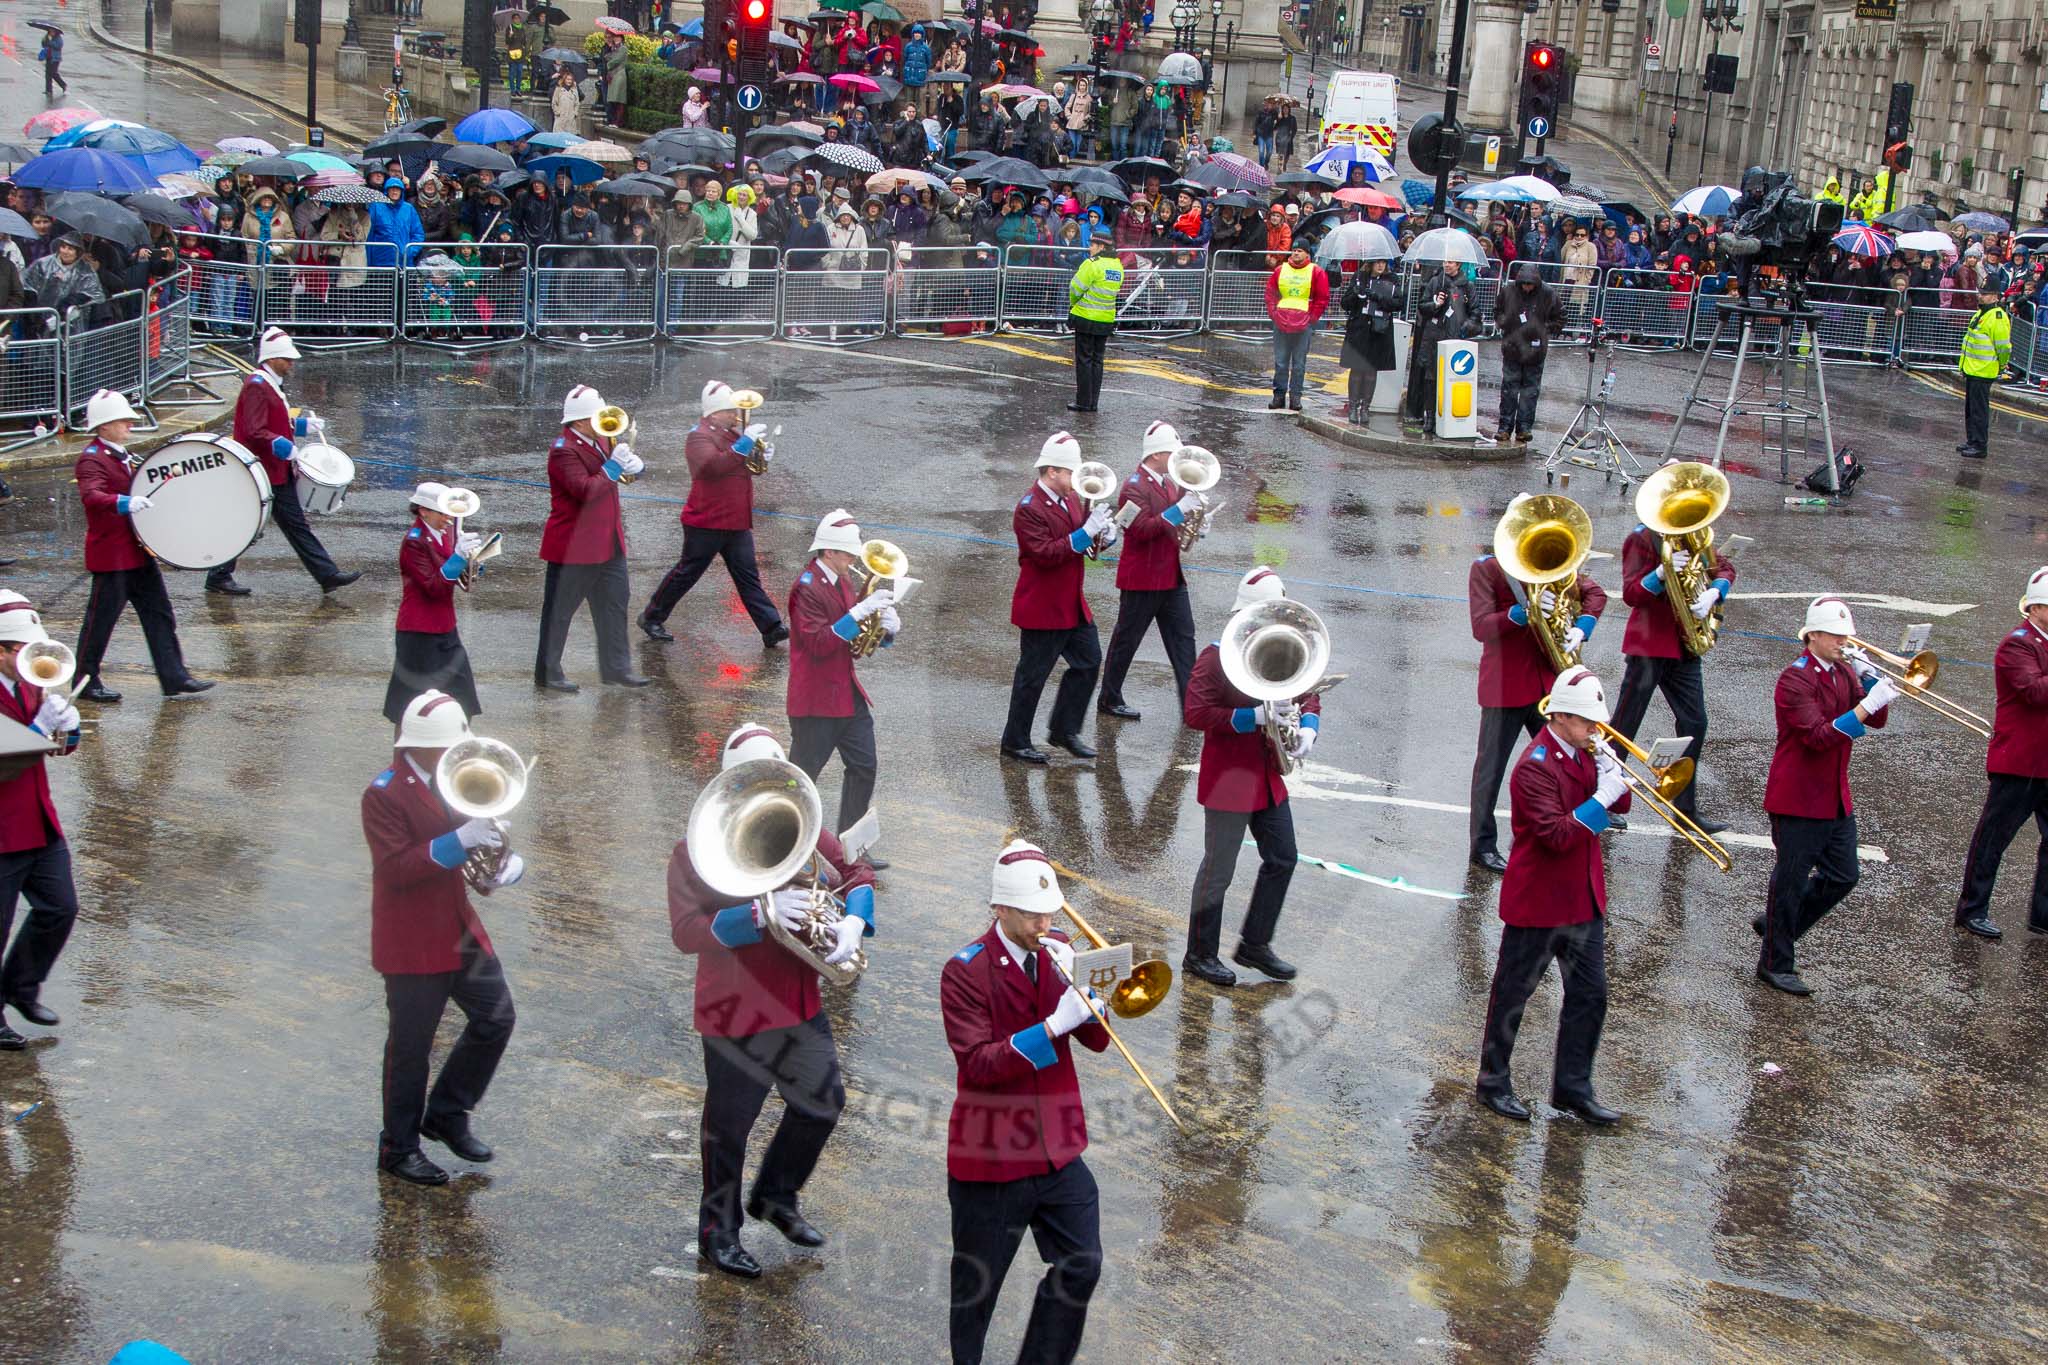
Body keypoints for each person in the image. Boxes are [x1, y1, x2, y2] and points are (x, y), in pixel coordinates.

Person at [669, 724, 876, 1278]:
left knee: (823, 1102)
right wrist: (755, 916)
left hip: (797, 1002)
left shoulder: (806, 829)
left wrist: (856, 917)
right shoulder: (695, 853)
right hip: (734, 1013)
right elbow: (686, 931)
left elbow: (855, 870)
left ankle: (776, 1197)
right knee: (729, 1131)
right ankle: (718, 1235)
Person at [942, 838, 1109, 1365]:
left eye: (1049, 915)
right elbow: (979, 1065)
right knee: (976, 1294)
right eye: (1032, 917)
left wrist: (1090, 992)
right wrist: (1054, 1024)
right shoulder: (964, 971)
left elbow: (1100, 1041)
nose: (1044, 926)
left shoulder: (1056, 947)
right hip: (991, 1158)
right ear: (1000, 910)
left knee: (1082, 1263)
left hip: (1058, 1148)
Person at [364, 691, 526, 1186]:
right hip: (412, 938)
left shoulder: (452, 779)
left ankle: (448, 1112)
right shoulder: (384, 793)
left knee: (496, 1017)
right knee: (411, 1048)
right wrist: (461, 842)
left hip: (456, 926)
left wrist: (504, 867)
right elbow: (395, 869)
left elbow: (476, 847)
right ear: (424, 747)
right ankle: (398, 1147)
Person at [1474, 666, 1631, 1125]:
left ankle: (1573, 1087)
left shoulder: (1584, 750)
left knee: (1590, 996)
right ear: (1560, 717)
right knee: (1513, 998)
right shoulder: (1534, 767)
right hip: (1539, 903)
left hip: (1582, 899)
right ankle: (1492, 1082)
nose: (1594, 731)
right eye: (1587, 723)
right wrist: (1602, 798)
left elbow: (1616, 803)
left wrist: (1611, 775)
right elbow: (1557, 836)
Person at [1180, 566, 1321, 988]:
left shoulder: (1280, 643)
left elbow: (1307, 684)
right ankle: (1199, 954)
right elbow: (1195, 713)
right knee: (1218, 870)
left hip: (1266, 774)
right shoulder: (1215, 655)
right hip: (1230, 777)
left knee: (1283, 857)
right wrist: (1251, 716)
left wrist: (1310, 723)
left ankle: (1254, 944)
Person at [1755, 597, 1896, 995]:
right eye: (1834, 635)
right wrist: (1866, 704)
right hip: (1798, 798)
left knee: (1844, 876)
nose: (1843, 642)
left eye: (1844, 635)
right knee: (1788, 882)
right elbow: (1817, 737)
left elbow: (1878, 719)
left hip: (1834, 795)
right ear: (1812, 635)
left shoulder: (1844, 673)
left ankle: (1779, 927)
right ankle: (1774, 963)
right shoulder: (1795, 679)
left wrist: (1871, 684)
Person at [1467, 497, 1608, 872]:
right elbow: (1481, 627)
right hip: (1505, 684)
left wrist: (1582, 626)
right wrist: (1521, 613)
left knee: (1570, 755)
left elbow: (1595, 593)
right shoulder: (1488, 569)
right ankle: (1481, 845)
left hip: (1548, 682)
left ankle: (1571, 821)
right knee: (1490, 770)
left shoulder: (1552, 565)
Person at [66, 389, 210, 704]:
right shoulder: (92, 460)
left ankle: (174, 676)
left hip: (137, 553)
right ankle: (85, 681)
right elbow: (92, 496)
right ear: (104, 426)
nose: (130, 425)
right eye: (123, 421)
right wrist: (123, 502)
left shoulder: (120, 455)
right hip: (113, 556)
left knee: (160, 614)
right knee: (99, 624)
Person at [1610, 476, 1735, 836]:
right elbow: (1632, 594)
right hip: (1649, 646)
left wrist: (1714, 591)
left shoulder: (1695, 532)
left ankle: (1685, 810)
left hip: (1683, 646)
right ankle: (1606, 800)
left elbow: (1724, 567)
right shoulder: (1641, 537)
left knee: (1695, 723)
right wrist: (1661, 574)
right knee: (1624, 729)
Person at [207, 328, 360, 597]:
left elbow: (273, 421)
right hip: (260, 470)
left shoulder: (269, 383)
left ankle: (327, 574)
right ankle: (219, 575)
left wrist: (300, 426)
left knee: (294, 524)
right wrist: (280, 443)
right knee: (246, 524)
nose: (291, 363)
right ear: (272, 358)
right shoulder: (257, 385)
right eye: (286, 358)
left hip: (274, 471)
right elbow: (255, 428)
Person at [638, 381, 788, 648]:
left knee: (747, 575)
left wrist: (760, 459)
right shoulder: (699, 436)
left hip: (735, 520)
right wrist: (744, 444)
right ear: (715, 413)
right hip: (706, 521)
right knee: (687, 573)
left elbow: (742, 467)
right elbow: (713, 467)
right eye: (731, 410)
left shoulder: (730, 434)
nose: (736, 415)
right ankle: (652, 616)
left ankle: (771, 626)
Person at [1001, 433, 1119, 764]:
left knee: (1089, 661)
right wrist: (1085, 532)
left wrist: (1103, 537)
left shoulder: (1069, 499)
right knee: (1032, 677)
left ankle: (1064, 730)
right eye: (1070, 472)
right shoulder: (1029, 508)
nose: (1076, 479)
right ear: (1052, 471)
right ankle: (1015, 740)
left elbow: (1083, 547)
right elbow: (1046, 554)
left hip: (1071, 603)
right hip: (1042, 606)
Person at [787, 509, 899, 849]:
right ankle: (785, 843)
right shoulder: (805, 589)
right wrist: (858, 613)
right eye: (848, 554)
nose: (853, 560)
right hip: (816, 701)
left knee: (864, 766)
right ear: (829, 551)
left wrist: (885, 629)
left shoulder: (843, 580)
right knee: (800, 781)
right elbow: (819, 644)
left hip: (845, 694)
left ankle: (851, 847)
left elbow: (855, 641)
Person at [0, 599, 83, 1050]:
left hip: (37, 818)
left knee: (59, 908)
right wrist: (35, 731)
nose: (35, 660)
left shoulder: (29, 681)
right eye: (22, 651)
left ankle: (20, 988)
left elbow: (53, 747)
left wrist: (68, 731)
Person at [1952, 567, 2048, 939]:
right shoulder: (2018, 643)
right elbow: (2035, 692)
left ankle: (2043, 914)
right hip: (2020, 762)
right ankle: (1972, 909)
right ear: (2036, 608)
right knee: (1994, 839)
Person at [534, 384, 648, 693]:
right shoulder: (563, 450)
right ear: (580, 421)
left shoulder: (601, 438)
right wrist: (612, 467)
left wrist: (634, 469)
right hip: (575, 547)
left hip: (608, 542)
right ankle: (548, 672)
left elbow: (617, 476)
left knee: (614, 607)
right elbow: (585, 491)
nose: (601, 420)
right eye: (595, 415)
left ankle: (617, 669)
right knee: (560, 612)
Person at [1097, 420, 1202, 723]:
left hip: (1170, 577)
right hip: (1141, 580)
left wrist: (1196, 523)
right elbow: (1140, 529)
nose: (1177, 460)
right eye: (1172, 453)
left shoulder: (1169, 483)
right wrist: (1179, 511)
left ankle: (1192, 704)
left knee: (1184, 640)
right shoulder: (1133, 487)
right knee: (1127, 641)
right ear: (1156, 455)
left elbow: (1172, 526)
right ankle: (1109, 697)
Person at [384, 483, 486, 727]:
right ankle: (403, 758)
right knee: (409, 705)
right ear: (423, 511)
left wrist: (473, 562)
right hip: (418, 632)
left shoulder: (447, 533)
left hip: (445, 627)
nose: (448, 518)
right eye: (442, 512)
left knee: (463, 696)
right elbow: (434, 587)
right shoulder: (414, 542)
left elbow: (457, 578)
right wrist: (457, 558)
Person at [1491, 261, 1562, 445]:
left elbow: (1560, 318)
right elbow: (1497, 312)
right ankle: (1504, 427)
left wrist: (1542, 329)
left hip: (1535, 351)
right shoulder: (1508, 292)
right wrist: (1505, 323)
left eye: (1530, 284)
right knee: (1509, 389)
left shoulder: (1548, 294)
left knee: (1530, 391)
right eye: (1524, 284)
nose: (1527, 288)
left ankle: (1524, 428)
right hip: (1512, 349)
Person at [1264, 242, 1329, 412]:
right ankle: (1279, 396)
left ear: (1307, 254)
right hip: (1282, 322)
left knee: (1299, 364)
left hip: (1303, 325)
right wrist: (1274, 313)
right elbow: (1270, 292)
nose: (1296, 253)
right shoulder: (1280, 270)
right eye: (1294, 250)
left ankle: (1295, 397)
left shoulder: (1316, 272)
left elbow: (1322, 298)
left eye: (1300, 251)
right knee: (1280, 362)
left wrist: (1311, 319)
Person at [1338, 258, 1399, 424]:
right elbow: (1345, 303)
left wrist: (1378, 297)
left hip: (1379, 331)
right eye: (1377, 262)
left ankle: (1365, 407)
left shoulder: (1392, 279)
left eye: (1383, 263)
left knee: (1372, 371)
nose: (1381, 266)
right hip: (1359, 329)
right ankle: (1353, 407)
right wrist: (1355, 294)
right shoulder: (1359, 276)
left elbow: (1397, 303)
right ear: (1370, 263)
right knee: (1357, 370)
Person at [1065, 233, 1121, 414]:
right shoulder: (1117, 266)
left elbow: (1075, 288)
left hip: (1086, 317)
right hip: (1105, 320)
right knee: (1098, 361)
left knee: (1084, 361)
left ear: (1101, 247)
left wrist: (1073, 304)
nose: (1090, 248)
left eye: (1093, 245)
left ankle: (1083, 401)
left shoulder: (1092, 265)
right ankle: (1093, 402)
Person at [1957, 280, 2011, 459]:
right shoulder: (1981, 313)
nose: (1981, 295)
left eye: (1985, 293)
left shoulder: (1998, 316)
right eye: (1980, 292)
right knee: (1971, 410)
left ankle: (1980, 445)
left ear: (1995, 296)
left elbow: (2003, 347)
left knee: (1979, 411)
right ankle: (1972, 440)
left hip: (1984, 370)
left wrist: (2002, 365)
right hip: (1972, 369)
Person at [552, 70, 582, 134]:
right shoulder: (558, 89)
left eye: (571, 79)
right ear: (564, 79)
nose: (569, 81)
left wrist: (575, 113)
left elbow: (577, 103)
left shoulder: (574, 90)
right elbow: (554, 103)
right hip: (560, 118)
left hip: (571, 119)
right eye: (568, 79)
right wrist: (557, 112)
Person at [38, 27, 65, 97]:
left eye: (52, 31)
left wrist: (50, 42)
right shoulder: (48, 36)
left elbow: (58, 46)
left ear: (55, 32)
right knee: (47, 75)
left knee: (53, 73)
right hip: (49, 58)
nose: (51, 32)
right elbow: (43, 45)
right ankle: (48, 90)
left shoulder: (58, 38)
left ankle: (63, 84)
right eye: (50, 31)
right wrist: (44, 40)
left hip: (55, 59)